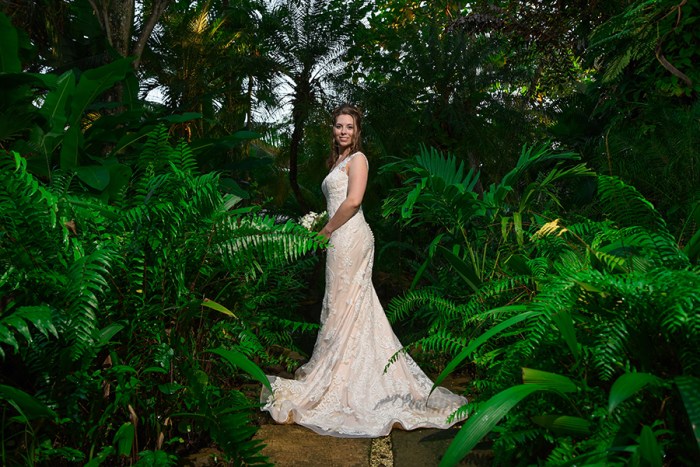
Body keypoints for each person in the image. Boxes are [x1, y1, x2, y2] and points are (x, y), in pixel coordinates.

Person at [261, 104, 467, 437]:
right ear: (333, 130)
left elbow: (354, 201)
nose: (343, 131)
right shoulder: (337, 162)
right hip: (339, 236)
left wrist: (326, 229)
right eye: (338, 126)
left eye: (349, 127)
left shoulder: (358, 160)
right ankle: (342, 371)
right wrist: (323, 223)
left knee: (347, 305)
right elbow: (336, 200)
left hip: (350, 236)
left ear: (357, 132)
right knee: (344, 306)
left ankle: (351, 380)